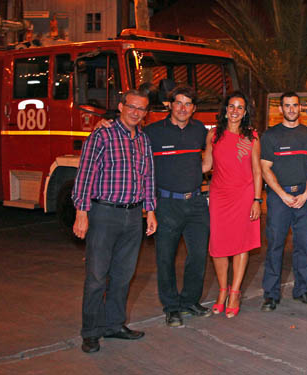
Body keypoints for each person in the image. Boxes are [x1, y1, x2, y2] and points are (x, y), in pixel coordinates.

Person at [72, 89, 157, 354]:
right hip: (104, 214)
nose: (136, 113)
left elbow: (148, 178)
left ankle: (114, 325)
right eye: (132, 107)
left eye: (141, 109)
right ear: (121, 106)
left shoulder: (143, 140)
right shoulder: (102, 134)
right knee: (97, 277)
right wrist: (81, 212)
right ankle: (90, 332)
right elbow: (85, 174)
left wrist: (150, 211)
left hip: (133, 216)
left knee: (123, 276)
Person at [142, 86, 211, 327]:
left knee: (199, 255)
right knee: (165, 258)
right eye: (178, 103)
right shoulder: (152, 132)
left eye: (188, 104)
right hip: (166, 204)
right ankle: (171, 307)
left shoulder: (199, 130)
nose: (183, 108)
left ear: (194, 108)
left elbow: (218, 144)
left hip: (196, 203)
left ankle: (190, 301)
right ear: (169, 105)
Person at [203, 92, 262, 318]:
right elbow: (207, 164)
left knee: (241, 245)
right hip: (219, 196)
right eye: (231, 106)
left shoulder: (252, 136)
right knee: (218, 246)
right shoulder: (214, 135)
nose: (235, 111)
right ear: (225, 109)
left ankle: (235, 292)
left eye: (240, 107)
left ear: (245, 112)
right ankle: (222, 290)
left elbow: (257, 170)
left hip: (244, 196)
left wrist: (257, 200)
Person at [260, 91, 307, 311]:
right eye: (287, 106)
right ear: (280, 109)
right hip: (278, 198)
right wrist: (282, 194)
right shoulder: (270, 136)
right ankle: (271, 294)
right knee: (275, 245)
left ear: (300, 108)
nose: (292, 109)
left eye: (295, 105)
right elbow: (265, 168)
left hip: (303, 197)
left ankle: (302, 289)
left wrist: (305, 195)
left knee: (304, 245)